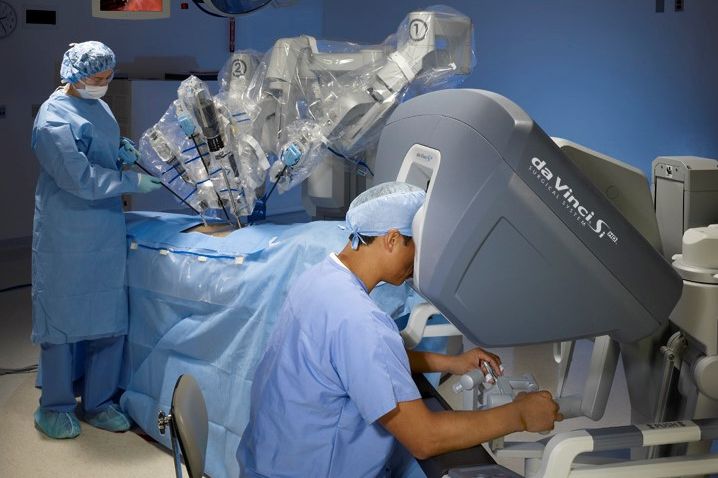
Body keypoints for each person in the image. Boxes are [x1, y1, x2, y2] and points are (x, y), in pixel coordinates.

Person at [237, 182, 563, 477]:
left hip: (266, 462)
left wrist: (451, 363)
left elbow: (359, 361)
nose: (420, 261)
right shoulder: (359, 319)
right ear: (392, 239)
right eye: (418, 247)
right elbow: (424, 438)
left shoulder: (319, 279)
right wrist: (520, 415)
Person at [31, 41, 162, 439]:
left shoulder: (99, 105)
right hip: (66, 228)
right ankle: (54, 406)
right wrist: (130, 181)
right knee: (61, 316)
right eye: (96, 77)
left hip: (104, 224)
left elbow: (97, 150)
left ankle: (99, 402)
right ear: (73, 74)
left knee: (108, 315)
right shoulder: (52, 119)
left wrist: (119, 153)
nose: (102, 84)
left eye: (108, 77)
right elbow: (79, 178)